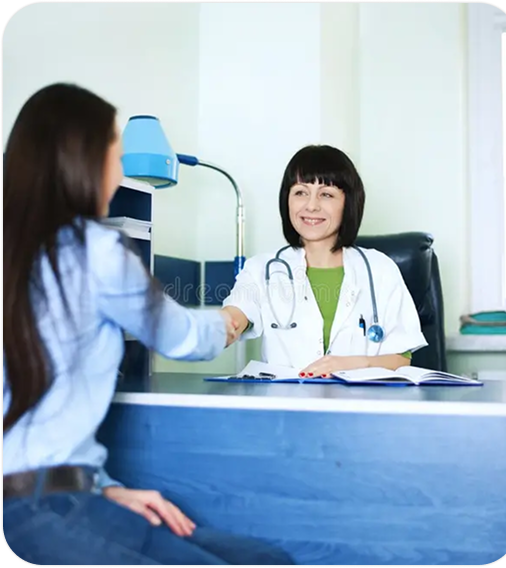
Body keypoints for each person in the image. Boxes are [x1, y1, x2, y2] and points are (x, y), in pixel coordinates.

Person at [3, 83, 293, 565]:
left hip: (65, 495)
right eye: (116, 157)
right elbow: (182, 337)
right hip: (46, 509)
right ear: (82, 162)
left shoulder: (23, 253)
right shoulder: (94, 251)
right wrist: (230, 321)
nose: (120, 174)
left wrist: (102, 487)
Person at [222, 144, 427, 377]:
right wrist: (220, 326)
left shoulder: (380, 269)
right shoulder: (262, 269)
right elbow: (235, 316)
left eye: (326, 194)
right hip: (285, 398)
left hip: (362, 398)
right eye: (300, 192)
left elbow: (401, 359)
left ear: (348, 202)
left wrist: (347, 365)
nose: (311, 206)